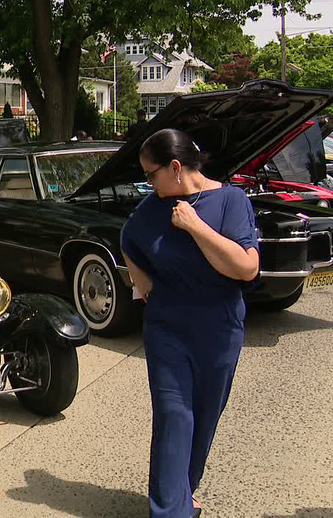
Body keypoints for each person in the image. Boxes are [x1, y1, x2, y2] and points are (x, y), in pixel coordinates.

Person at [120, 129, 260, 518]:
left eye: (152, 174)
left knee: (204, 415)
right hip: (167, 328)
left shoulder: (231, 201)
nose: (148, 183)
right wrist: (142, 282)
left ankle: (184, 491)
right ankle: (171, 511)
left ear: (176, 167)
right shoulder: (151, 209)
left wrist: (195, 226)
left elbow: (246, 268)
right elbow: (127, 239)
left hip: (219, 329)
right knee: (174, 416)